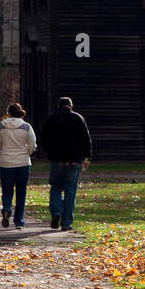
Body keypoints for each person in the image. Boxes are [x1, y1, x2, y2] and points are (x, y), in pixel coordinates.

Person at [39, 95, 92, 232]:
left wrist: (48, 153)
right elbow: (86, 139)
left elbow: (44, 138)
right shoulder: (78, 118)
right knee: (70, 191)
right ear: (71, 106)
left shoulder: (52, 118)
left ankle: (56, 212)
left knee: (56, 187)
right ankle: (67, 222)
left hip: (57, 159)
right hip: (74, 160)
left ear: (59, 106)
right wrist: (87, 156)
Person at [0, 102, 36, 229]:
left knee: (7, 190)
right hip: (22, 162)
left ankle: (6, 208)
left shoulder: (1, 126)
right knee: (21, 192)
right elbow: (33, 145)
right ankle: (19, 221)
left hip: (6, 162)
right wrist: (27, 152)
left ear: (9, 113)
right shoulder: (26, 127)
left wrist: (3, 153)